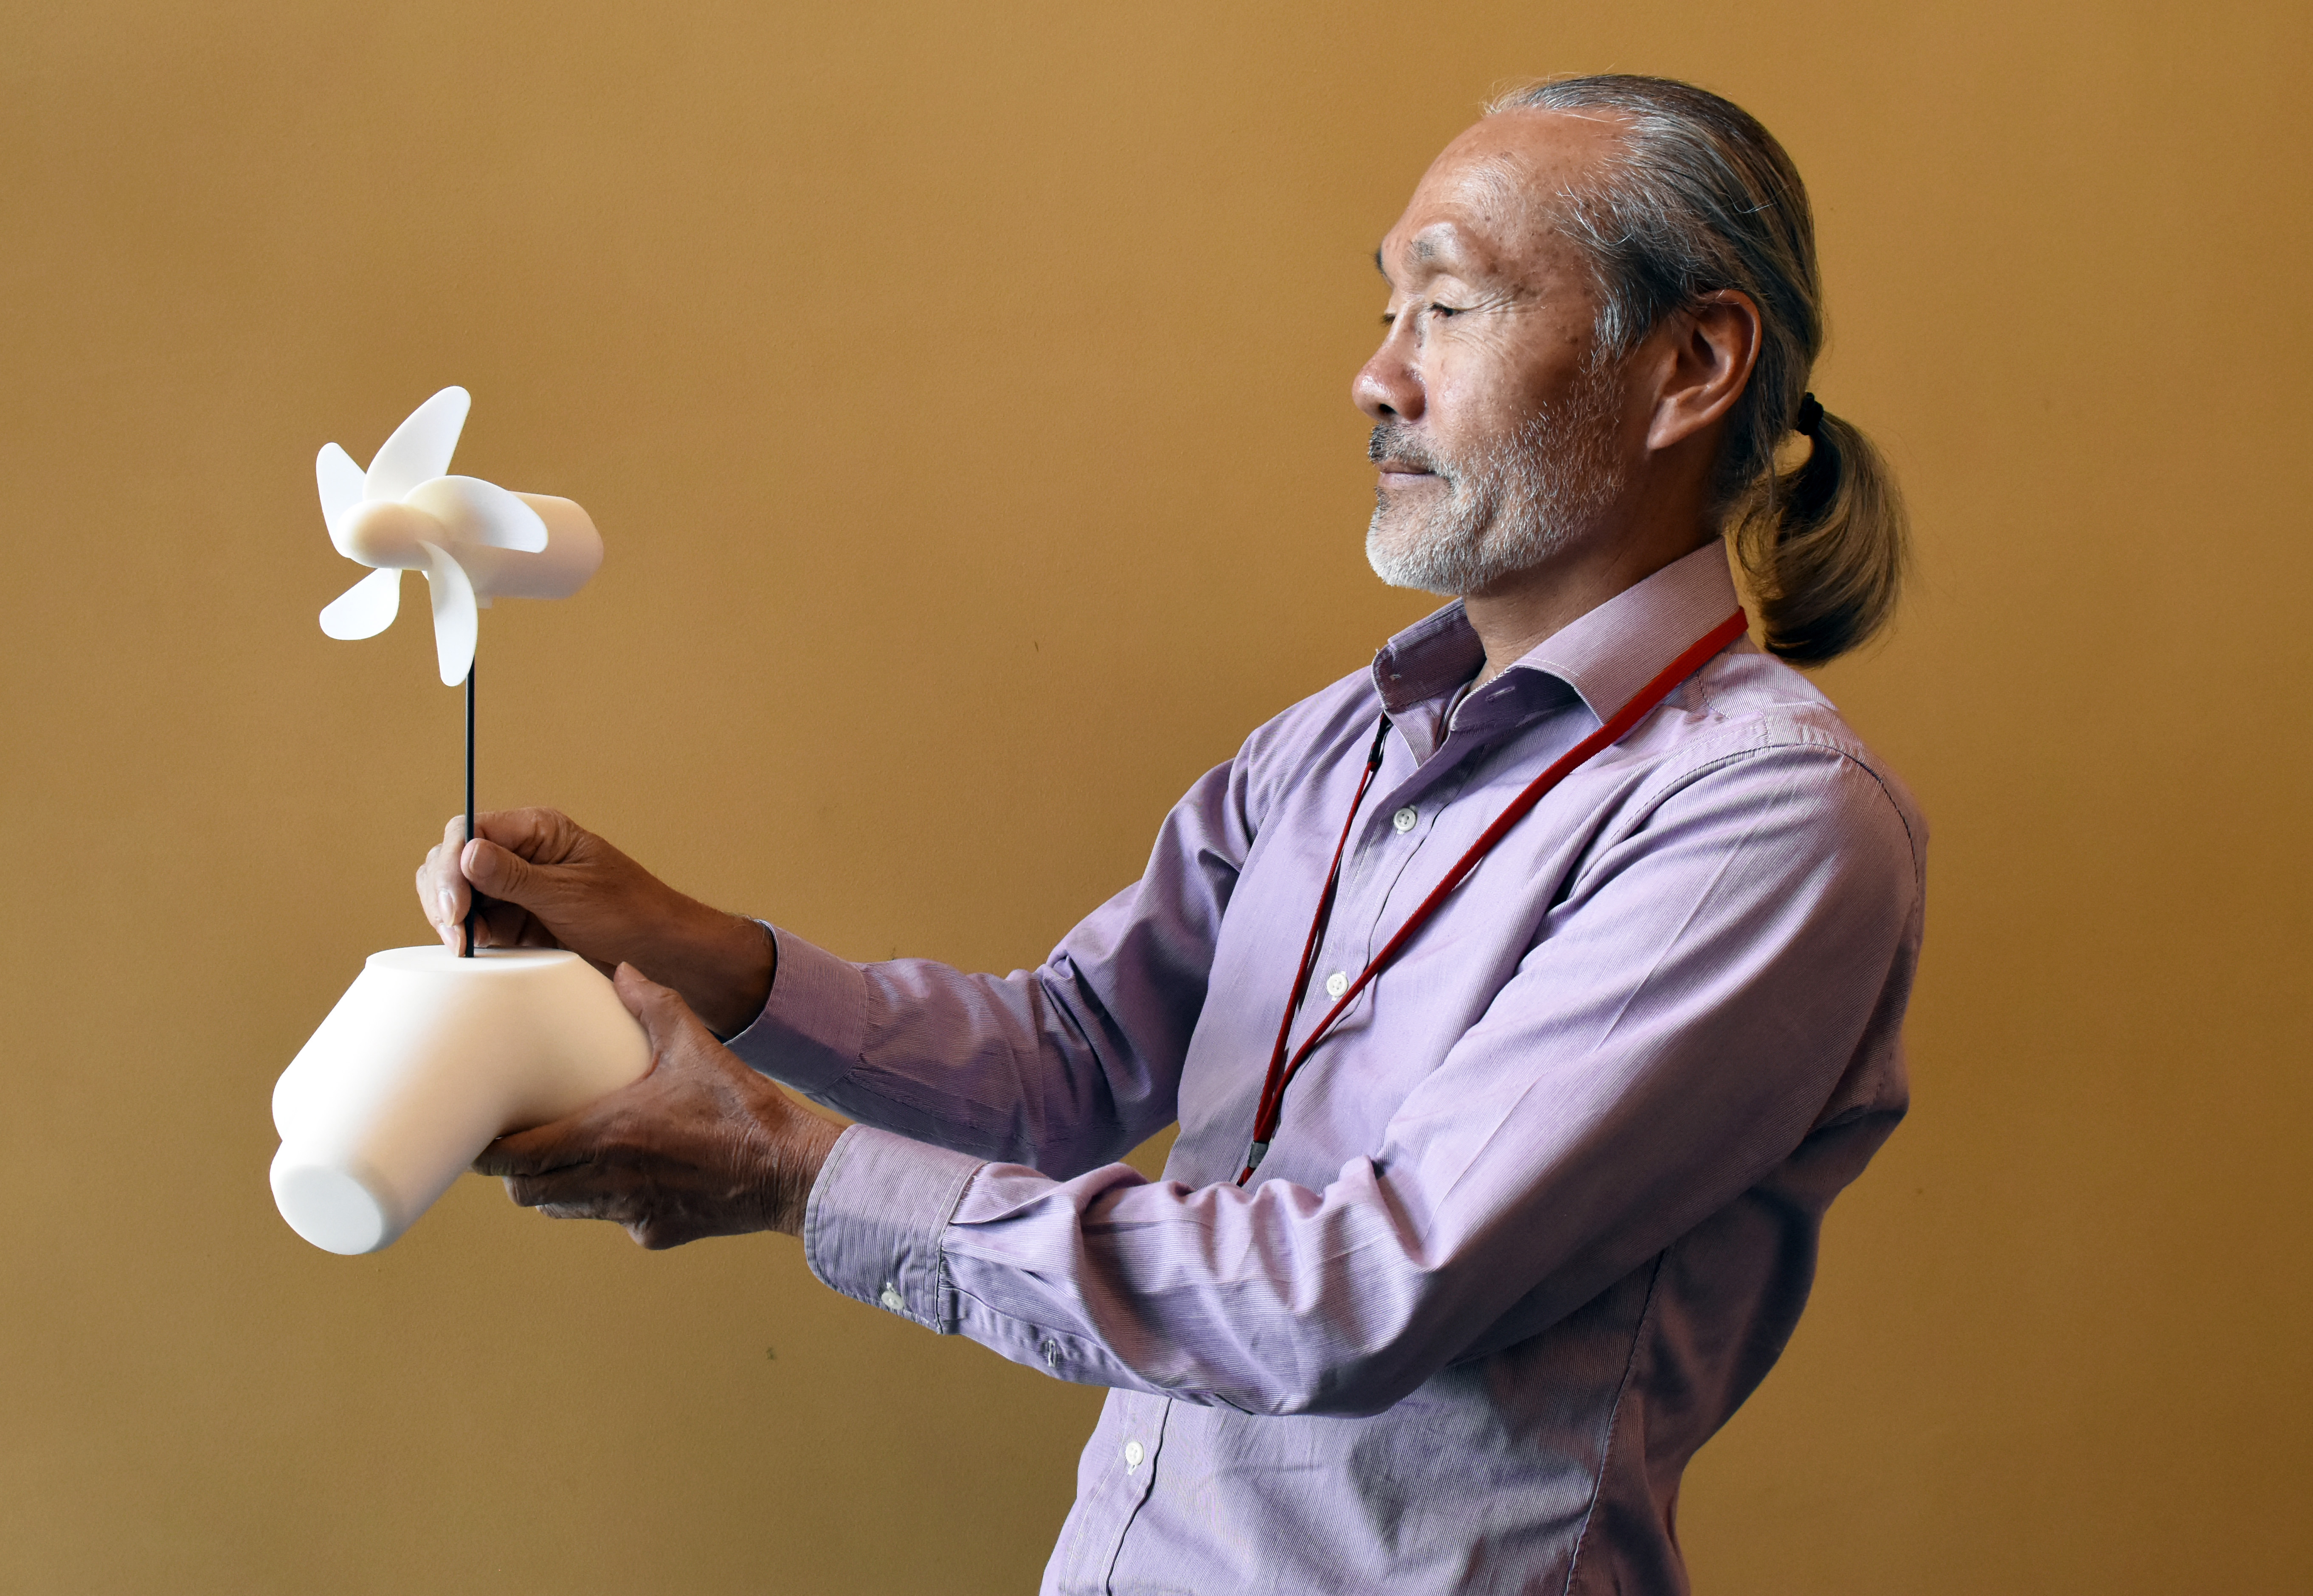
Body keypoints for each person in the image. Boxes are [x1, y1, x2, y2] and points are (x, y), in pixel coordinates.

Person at [419, 74, 1925, 1596]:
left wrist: (795, 1175)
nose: (1377, 378)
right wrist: (678, 943)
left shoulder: (1766, 819)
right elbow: (1065, 1065)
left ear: (1692, 364)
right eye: (1388, 309)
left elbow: (1363, 1292)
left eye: (1451, 307)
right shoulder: (1339, 741)